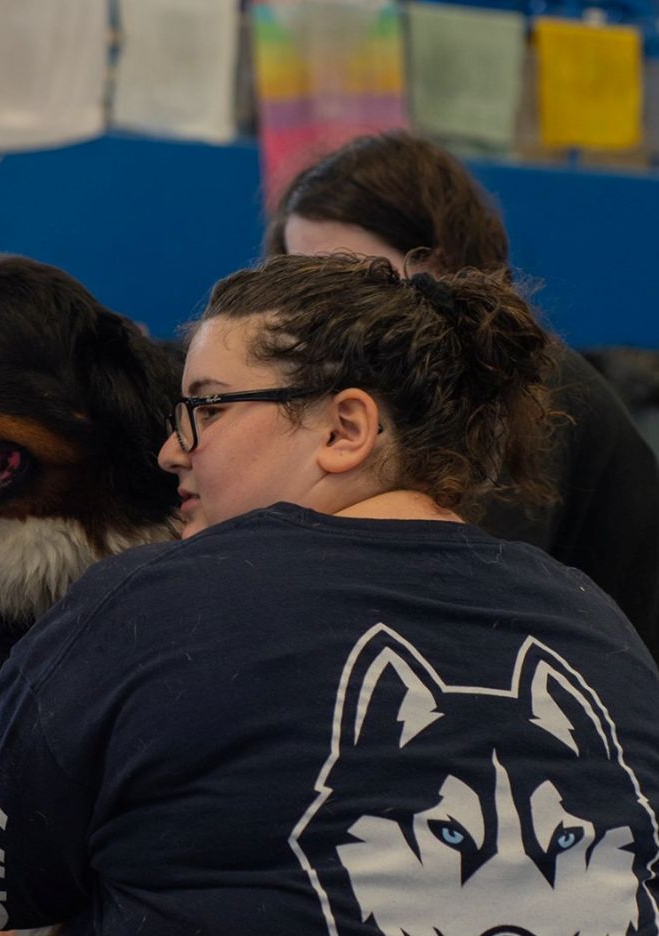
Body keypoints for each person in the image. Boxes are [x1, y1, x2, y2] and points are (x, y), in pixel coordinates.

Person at [0, 253, 659, 933]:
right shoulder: (596, 623)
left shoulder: (153, 603)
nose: (172, 448)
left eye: (208, 407)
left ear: (345, 429)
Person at [267, 130, 659, 654]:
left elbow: (464, 592)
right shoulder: (376, 383)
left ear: (439, 264)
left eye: (352, 275)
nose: (323, 306)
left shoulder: (520, 385)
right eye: (305, 277)